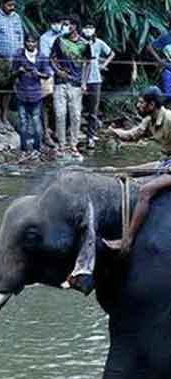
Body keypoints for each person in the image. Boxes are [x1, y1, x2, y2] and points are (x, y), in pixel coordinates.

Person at [103, 86, 171, 254]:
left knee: (146, 190)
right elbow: (133, 135)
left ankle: (127, 239)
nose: (138, 105)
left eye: (141, 102)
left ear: (152, 104)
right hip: (166, 161)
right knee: (125, 170)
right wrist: (115, 132)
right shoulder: (149, 119)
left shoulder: (169, 119)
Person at [50, 15, 90, 158]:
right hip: (60, 83)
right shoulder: (59, 40)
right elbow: (52, 59)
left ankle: (73, 145)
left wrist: (84, 83)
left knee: (76, 116)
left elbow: (87, 64)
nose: (68, 27)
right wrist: (58, 71)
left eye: (70, 24)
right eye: (66, 24)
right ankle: (61, 145)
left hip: (76, 84)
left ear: (76, 26)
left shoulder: (84, 44)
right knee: (60, 114)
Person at [0, 0, 23, 133]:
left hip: (13, 58)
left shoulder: (16, 17)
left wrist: (20, 56)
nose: (12, 8)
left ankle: (4, 117)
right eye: (9, 5)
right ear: (2, 3)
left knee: (9, 89)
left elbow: (20, 36)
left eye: (13, 5)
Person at [12, 34, 51, 155]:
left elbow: (47, 74)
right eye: (28, 42)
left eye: (33, 42)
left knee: (36, 122)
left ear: (36, 43)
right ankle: (24, 148)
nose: (30, 44)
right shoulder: (19, 55)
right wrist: (19, 71)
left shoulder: (41, 57)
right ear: (25, 43)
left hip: (36, 95)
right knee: (23, 122)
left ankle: (37, 147)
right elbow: (12, 73)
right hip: (21, 94)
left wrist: (38, 73)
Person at [82, 21, 114, 149]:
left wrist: (104, 64)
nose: (88, 30)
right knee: (77, 108)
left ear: (94, 29)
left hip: (95, 78)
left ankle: (90, 136)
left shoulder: (99, 43)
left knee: (93, 110)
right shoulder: (79, 42)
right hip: (80, 78)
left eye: (90, 27)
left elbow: (111, 53)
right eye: (86, 27)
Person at [39, 14, 68, 147]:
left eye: (59, 22)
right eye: (54, 22)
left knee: (63, 103)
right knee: (46, 103)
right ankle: (46, 134)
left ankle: (59, 132)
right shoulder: (44, 38)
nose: (57, 24)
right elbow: (46, 59)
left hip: (66, 74)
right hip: (50, 74)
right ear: (50, 23)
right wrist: (53, 73)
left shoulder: (67, 34)